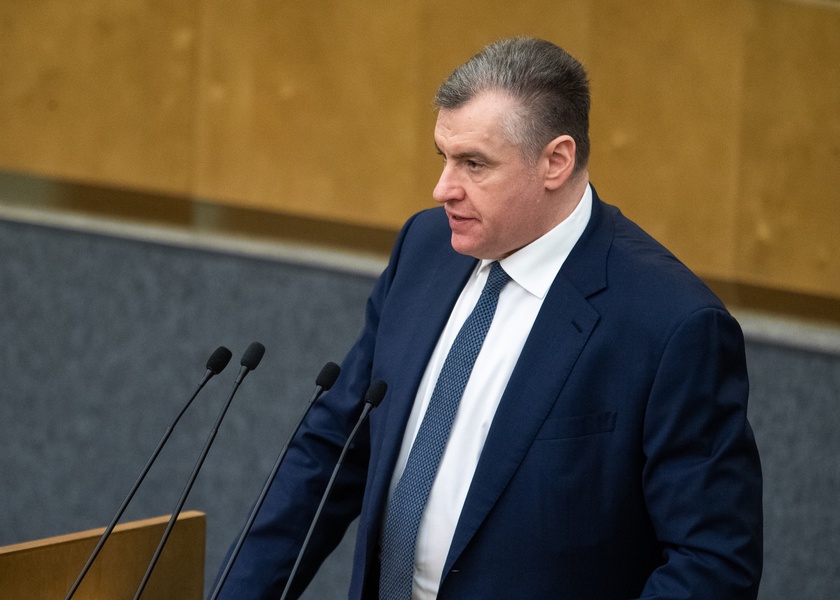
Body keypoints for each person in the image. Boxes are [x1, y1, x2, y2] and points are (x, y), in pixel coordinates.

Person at [217, 37, 763, 599]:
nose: (442, 189)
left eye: (474, 164)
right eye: (443, 157)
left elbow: (712, 563)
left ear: (555, 161)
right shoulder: (425, 247)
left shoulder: (671, 324)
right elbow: (333, 447)